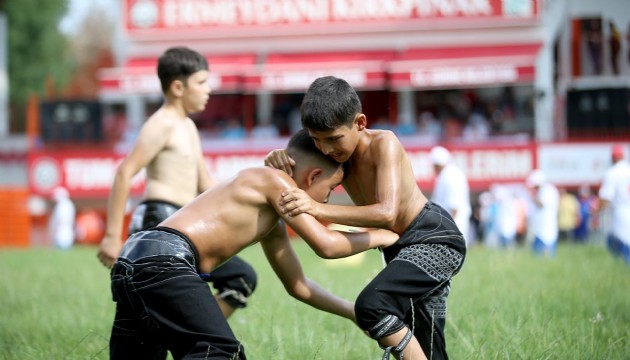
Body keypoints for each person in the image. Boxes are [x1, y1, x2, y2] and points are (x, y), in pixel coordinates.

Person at [108, 129, 399, 359]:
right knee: (221, 352)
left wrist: (352, 311)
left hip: (133, 260)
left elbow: (298, 285)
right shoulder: (275, 182)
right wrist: (384, 234)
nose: (326, 199)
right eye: (331, 188)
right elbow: (328, 246)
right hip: (165, 262)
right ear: (313, 176)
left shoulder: (271, 218)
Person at [265, 76, 466, 360]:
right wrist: (277, 161)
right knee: (427, 343)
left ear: (360, 123)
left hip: (433, 237)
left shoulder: (384, 143)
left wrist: (317, 208)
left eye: (333, 139)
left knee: (373, 305)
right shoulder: (334, 155)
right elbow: (300, 164)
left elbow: (387, 212)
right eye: (316, 140)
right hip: (399, 247)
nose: (325, 149)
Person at [97, 47, 258, 322]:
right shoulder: (161, 124)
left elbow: (205, 183)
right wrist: (113, 235)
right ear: (178, 87)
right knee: (155, 312)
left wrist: (249, 202)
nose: (208, 89)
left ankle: (193, 337)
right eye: (201, 82)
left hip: (183, 223)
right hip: (157, 221)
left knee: (239, 279)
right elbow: (124, 173)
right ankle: (196, 338)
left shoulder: (188, 127)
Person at [429, 146, 473, 245]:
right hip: (449, 222)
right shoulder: (447, 174)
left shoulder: (451, 175)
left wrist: (447, 228)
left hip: (453, 222)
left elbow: (454, 205)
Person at [598, 144, 630, 264]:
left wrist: (597, 211)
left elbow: (605, 197)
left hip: (620, 216)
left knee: (621, 250)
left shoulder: (612, 172)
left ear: (613, 158)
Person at [525, 169, 559, 257]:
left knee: (546, 256)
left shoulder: (549, 190)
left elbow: (542, 204)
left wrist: (532, 196)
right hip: (539, 229)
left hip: (547, 228)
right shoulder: (542, 191)